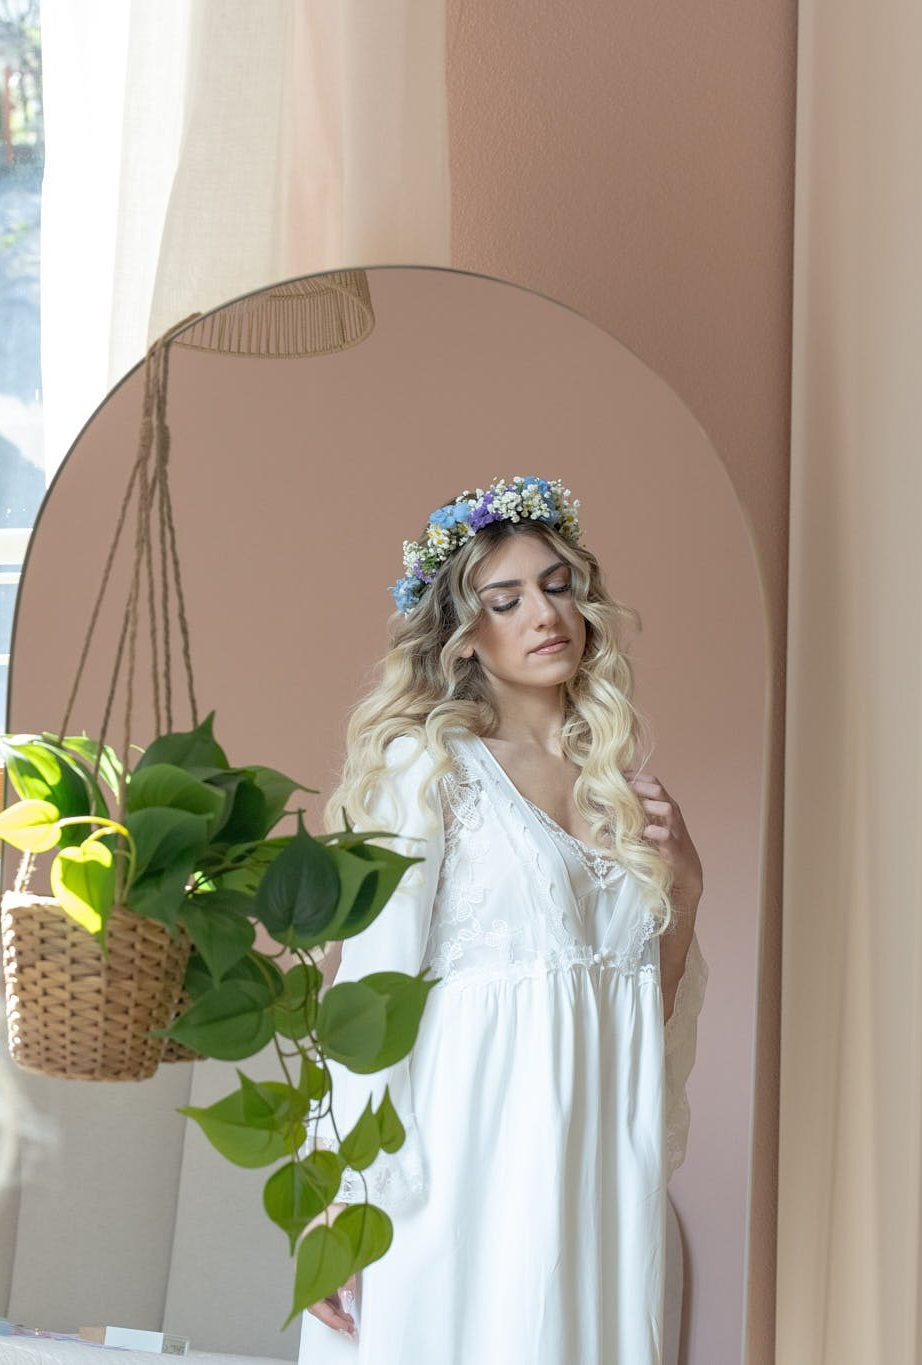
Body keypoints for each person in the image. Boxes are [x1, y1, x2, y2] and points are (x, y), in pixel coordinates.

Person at [296, 477, 708, 1365]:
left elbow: (649, 1012)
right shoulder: (428, 770)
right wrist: (335, 1190)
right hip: (460, 1157)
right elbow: (369, 986)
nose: (543, 613)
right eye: (505, 598)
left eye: (558, 585)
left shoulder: (622, 790)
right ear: (463, 631)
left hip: (591, 1168)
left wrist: (688, 880)